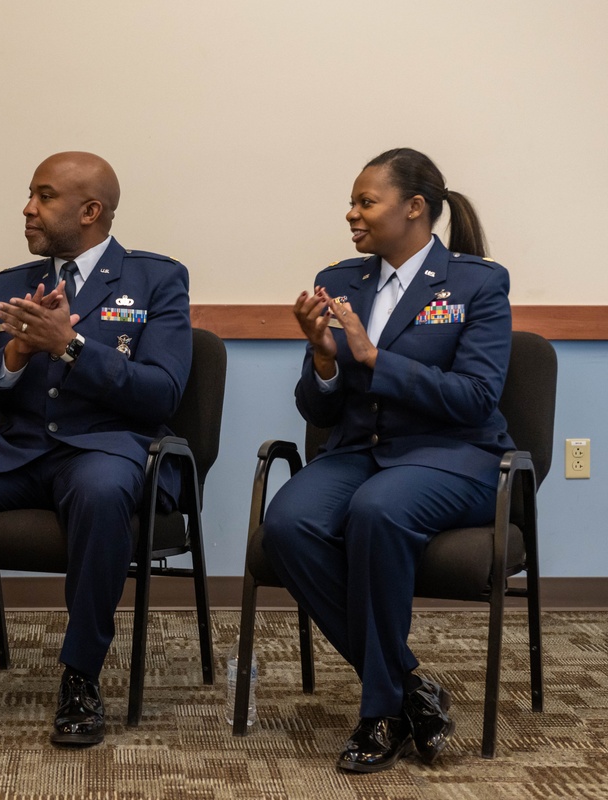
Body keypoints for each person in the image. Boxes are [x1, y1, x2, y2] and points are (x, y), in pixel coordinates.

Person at [0, 151, 192, 747]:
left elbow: (163, 393)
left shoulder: (156, 279)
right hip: (17, 450)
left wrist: (71, 346)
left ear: (91, 210)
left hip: (107, 449)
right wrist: (14, 356)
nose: (28, 208)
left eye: (44, 196)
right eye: (30, 194)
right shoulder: (10, 285)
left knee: (102, 491)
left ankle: (80, 676)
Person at [262, 147, 513, 773]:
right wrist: (324, 360)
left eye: (364, 202)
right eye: (351, 202)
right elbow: (317, 411)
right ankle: (409, 687)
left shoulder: (478, 282)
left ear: (415, 208)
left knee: (377, 511)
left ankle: (378, 712)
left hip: (455, 457)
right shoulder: (342, 279)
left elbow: (477, 397)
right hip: (361, 452)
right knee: (286, 524)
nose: (351, 214)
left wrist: (374, 359)